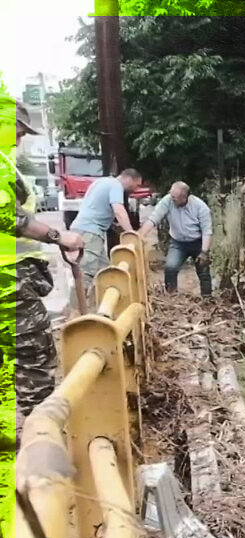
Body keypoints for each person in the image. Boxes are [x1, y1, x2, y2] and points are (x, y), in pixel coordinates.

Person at [1, 98, 85, 418]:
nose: (20, 140)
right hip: (8, 282)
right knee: (33, 363)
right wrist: (58, 236)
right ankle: (42, 450)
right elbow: (8, 217)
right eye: (18, 131)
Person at [68, 167, 144, 300]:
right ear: (129, 178)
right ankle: (76, 312)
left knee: (107, 273)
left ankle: (99, 309)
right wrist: (131, 234)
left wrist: (115, 227)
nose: (135, 189)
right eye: (136, 185)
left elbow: (96, 209)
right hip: (90, 233)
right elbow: (119, 211)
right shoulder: (116, 186)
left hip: (84, 229)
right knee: (86, 274)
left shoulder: (101, 182)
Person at [140, 181, 213, 296]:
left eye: (175, 198)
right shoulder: (168, 201)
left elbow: (206, 231)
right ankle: (171, 296)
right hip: (178, 243)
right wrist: (140, 236)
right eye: (172, 196)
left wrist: (204, 252)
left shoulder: (201, 207)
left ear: (185, 197)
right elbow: (153, 219)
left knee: (203, 271)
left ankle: (207, 299)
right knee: (170, 267)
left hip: (198, 242)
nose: (172, 200)